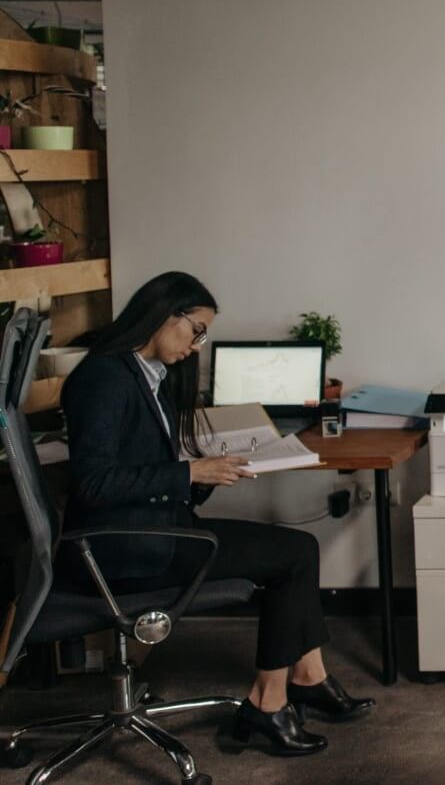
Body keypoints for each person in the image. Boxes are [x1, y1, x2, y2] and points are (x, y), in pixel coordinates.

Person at [58, 272, 373, 757]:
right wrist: (188, 473)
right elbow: (92, 483)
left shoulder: (146, 375)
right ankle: (269, 703)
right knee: (294, 554)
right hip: (124, 550)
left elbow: (143, 464)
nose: (196, 345)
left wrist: (203, 475)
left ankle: (308, 677)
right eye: (196, 330)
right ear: (166, 313)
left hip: (157, 530)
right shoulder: (103, 378)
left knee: (294, 551)